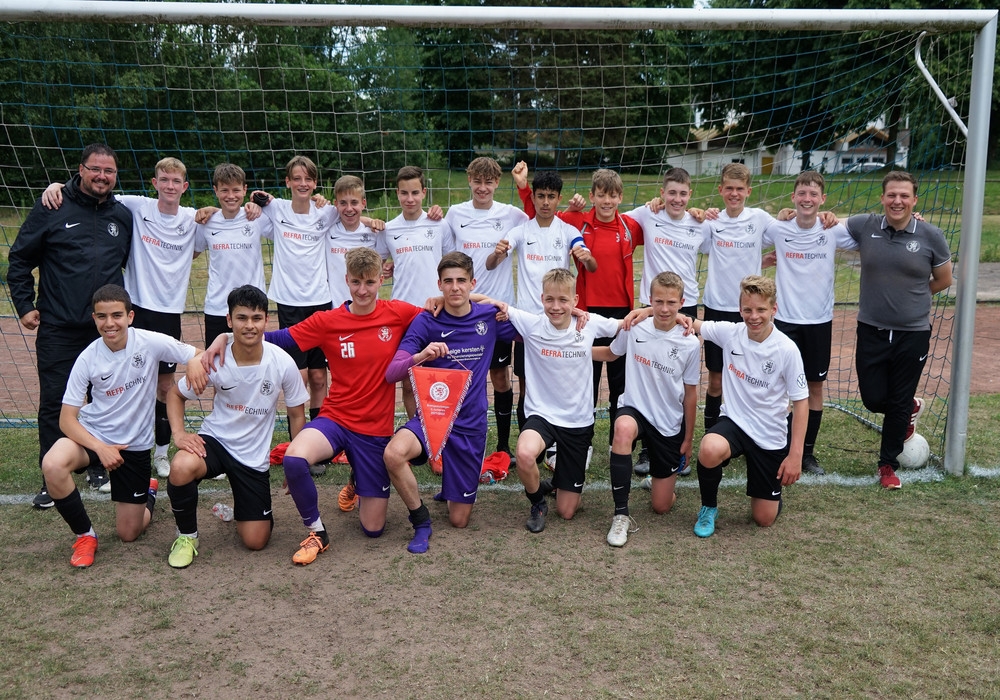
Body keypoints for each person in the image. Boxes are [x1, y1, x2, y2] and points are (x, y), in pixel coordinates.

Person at [200, 247, 423, 565]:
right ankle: (317, 532)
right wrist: (225, 336)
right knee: (294, 458)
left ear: (380, 281)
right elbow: (277, 338)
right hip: (336, 419)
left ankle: (358, 479)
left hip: (375, 431)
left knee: (373, 529)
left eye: (369, 282)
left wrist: (473, 302)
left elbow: (438, 316)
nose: (362, 290)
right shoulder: (328, 321)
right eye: (356, 282)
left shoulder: (399, 313)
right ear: (346, 280)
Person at [42, 157, 200, 480]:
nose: (170, 186)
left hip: (169, 312)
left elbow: (209, 235)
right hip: (136, 307)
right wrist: (58, 186)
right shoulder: (137, 206)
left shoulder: (193, 218)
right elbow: (93, 192)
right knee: (122, 380)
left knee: (164, 387)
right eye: (164, 180)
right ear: (154, 183)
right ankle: (111, 446)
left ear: (185, 187)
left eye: (176, 181)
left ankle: (159, 453)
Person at [7, 143, 133, 508]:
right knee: (56, 400)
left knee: (106, 399)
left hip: (106, 330)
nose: (102, 176)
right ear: (80, 169)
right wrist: (24, 305)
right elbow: (20, 259)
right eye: (95, 169)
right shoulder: (53, 205)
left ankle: (97, 464)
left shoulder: (122, 216)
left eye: (109, 171)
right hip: (59, 327)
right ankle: (53, 477)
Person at [41, 284, 196, 567]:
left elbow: (197, 354)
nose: (109, 323)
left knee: (128, 534)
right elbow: (66, 419)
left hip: (134, 446)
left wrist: (195, 363)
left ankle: (148, 492)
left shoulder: (150, 342)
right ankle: (85, 536)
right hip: (94, 436)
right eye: (102, 316)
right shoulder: (88, 357)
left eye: (116, 315)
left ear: (130, 316)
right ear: (94, 319)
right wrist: (101, 448)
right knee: (52, 464)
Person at [164, 285, 308, 568]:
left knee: (255, 541)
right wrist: (179, 435)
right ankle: (187, 536)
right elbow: (175, 395)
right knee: (180, 466)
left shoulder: (282, 362)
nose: (249, 325)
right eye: (242, 318)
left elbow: (296, 415)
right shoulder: (213, 360)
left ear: (267, 320)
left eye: (256, 318)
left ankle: (244, 509)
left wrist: (297, 463)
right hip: (216, 441)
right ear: (229, 321)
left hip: (252, 456)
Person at [383, 252, 517, 554]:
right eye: (448, 282)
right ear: (439, 285)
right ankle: (421, 521)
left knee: (459, 521)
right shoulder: (426, 320)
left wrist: (498, 303)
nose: (455, 287)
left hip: (470, 424)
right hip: (432, 417)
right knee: (393, 454)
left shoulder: (488, 317)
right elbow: (392, 373)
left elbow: (539, 328)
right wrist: (421, 356)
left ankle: (452, 487)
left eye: (461, 281)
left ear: (472, 283)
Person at [519, 168, 642, 451]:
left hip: (621, 312)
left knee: (620, 382)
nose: (607, 201)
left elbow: (661, 220)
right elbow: (540, 211)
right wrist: (524, 187)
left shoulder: (630, 226)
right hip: (586, 313)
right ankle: (582, 441)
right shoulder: (577, 221)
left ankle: (617, 442)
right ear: (592, 196)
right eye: (601, 195)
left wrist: (690, 212)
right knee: (587, 379)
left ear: (620, 197)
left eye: (613, 196)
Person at [844, 171, 952, 489]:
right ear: (882, 198)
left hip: (913, 333)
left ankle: (887, 466)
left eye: (904, 195)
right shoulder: (865, 226)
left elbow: (944, 279)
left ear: (914, 200)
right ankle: (909, 408)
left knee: (899, 398)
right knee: (874, 399)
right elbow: (826, 223)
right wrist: (793, 213)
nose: (897, 201)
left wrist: (913, 297)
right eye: (891, 194)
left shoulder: (931, 235)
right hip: (871, 329)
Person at [681, 275, 809, 538]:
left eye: (761, 309)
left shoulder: (787, 349)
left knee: (763, 519)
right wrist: (645, 312)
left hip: (769, 434)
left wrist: (795, 455)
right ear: (740, 309)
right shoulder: (730, 333)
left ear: (773, 309)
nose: (754, 316)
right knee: (709, 447)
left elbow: (801, 402)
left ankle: (771, 495)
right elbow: (688, 320)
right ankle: (708, 508)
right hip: (736, 423)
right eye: (748, 309)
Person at [506, 268, 620, 534]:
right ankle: (538, 503)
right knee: (524, 453)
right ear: (541, 298)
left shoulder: (590, 324)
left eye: (563, 300)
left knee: (567, 511)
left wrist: (659, 314)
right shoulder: (531, 324)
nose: (556, 307)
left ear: (575, 300)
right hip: (542, 415)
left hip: (577, 422)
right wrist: (440, 299)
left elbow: (625, 324)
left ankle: (560, 482)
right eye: (550, 299)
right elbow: (489, 304)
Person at [593, 272, 700, 547]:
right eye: (659, 302)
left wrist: (688, 439)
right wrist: (576, 350)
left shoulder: (690, 342)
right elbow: (611, 353)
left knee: (661, 506)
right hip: (635, 409)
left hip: (668, 421)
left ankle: (659, 482)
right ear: (650, 300)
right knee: (622, 428)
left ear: (682, 303)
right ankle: (621, 515)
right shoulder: (635, 328)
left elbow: (691, 394)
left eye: (671, 302)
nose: (664, 309)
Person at [762, 171, 857, 475]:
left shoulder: (832, 229)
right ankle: (772, 446)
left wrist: (914, 220)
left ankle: (806, 453)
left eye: (813, 194)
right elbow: (742, 237)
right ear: (793, 197)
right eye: (802, 193)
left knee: (814, 387)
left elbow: (870, 235)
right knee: (776, 386)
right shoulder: (778, 228)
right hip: (784, 321)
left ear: (822, 199)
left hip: (819, 322)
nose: (807, 199)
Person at [489, 163, 596, 430]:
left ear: (559, 199)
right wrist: (497, 253)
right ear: (533, 197)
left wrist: (586, 257)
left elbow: (592, 265)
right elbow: (491, 264)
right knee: (527, 386)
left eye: (551, 196)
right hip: (528, 324)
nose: (545, 202)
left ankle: (557, 440)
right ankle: (529, 438)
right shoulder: (521, 231)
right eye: (540, 196)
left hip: (559, 322)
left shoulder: (568, 231)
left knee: (558, 384)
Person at [622, 167, 707, 476]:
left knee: (679, 379)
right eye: (671, 192)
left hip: (685, 304)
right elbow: (614, 217)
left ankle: (678, 446)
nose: (677, 199)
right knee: (650, 376)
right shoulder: (648, 213)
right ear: (662, 193)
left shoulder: (700, 224)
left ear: (690, 195)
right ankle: (647, 449)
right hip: (653, 304)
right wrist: (649, 204)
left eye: (683, 194)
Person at [443, 157, 528, 456]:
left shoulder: (511, 215)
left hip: (497, 311)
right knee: (461, 376)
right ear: (469, 180)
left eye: (488, 182)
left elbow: (539, 216)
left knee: (500, 376)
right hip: (463, 311)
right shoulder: (455, 214)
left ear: (497, 183)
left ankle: (503, 445)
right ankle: (455, 440)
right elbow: (443, 249)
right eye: (477, 181)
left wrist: (524, 187)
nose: (482, 187)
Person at [383, 166, 448, 419]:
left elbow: (451, 261)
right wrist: (385, 267)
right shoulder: (389, 229)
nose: (409, 199)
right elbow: (377, 260)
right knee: (408, 379)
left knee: (438, 374)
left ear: (424, 192)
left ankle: (439, 426)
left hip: (436, 310)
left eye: (414, 193)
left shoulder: (439, 224)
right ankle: (415, 429)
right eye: (404, 193)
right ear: (397, 194)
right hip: (402, 313)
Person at [195, 163, 273, 348]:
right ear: (215, 190)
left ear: (245, 189)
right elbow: (191, 254)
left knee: (253, 359)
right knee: (216, 362)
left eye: (236, 190)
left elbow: (288, 224)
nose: (231, 196)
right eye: (224, 190)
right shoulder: (206, 222)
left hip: (252, 308)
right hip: (217, 308)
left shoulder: (256, 217)